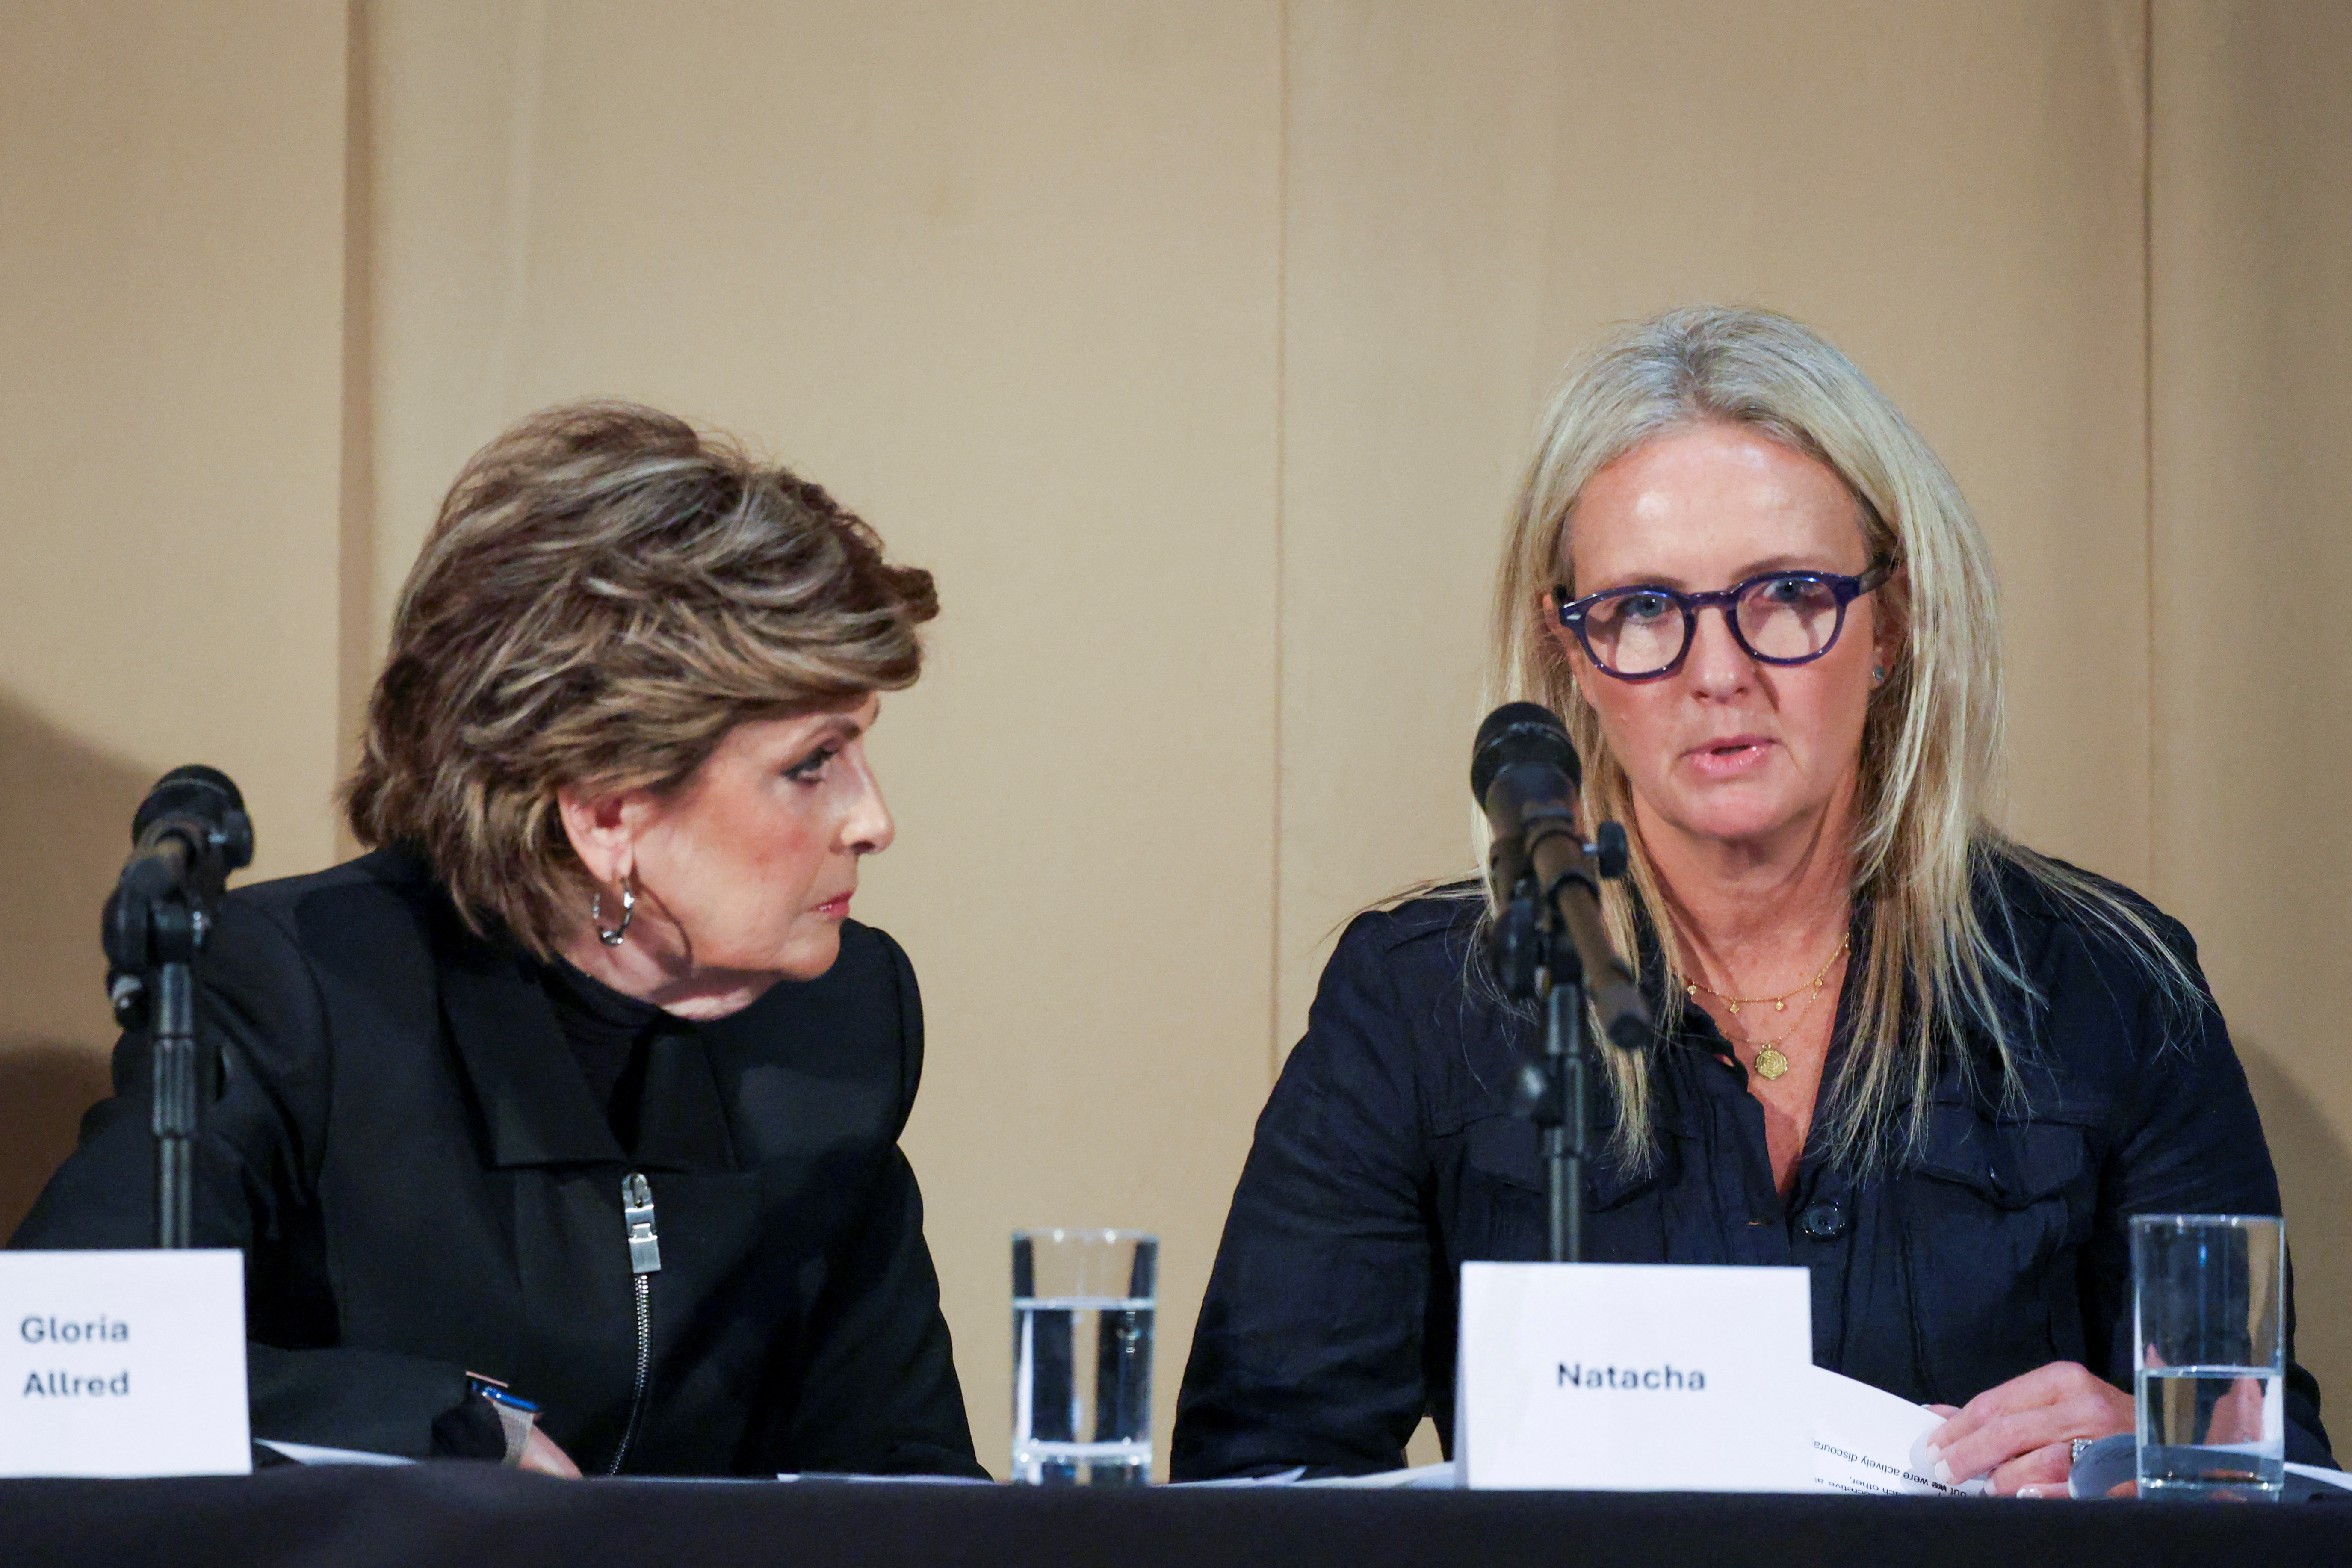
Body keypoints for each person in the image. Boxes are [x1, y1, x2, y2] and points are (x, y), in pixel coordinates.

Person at [1170, 306, 2330, 1494]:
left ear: (1893, 624)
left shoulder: (2110, 982)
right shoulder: (1417, 999)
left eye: (1783, 596)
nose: (1715, 673)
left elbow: (2273, 1474)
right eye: (1640, 611)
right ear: (1569, 650)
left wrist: (2165, 1465)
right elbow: (1257, 1481)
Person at [12, 402, 983, 1479]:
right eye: (813, 763)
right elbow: (64, 1372)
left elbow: (905, 1472)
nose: (873, 820)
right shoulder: (295, 992)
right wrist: (459, 1426)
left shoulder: (845, 1020)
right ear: (607, 810)